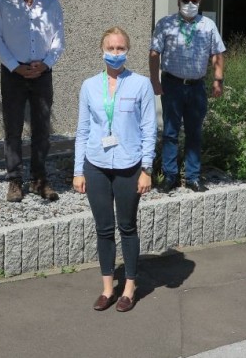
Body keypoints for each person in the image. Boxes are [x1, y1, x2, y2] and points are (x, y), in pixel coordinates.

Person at [73, 27, 156, 313]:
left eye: (120, 48)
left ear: (128, 51)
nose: (115, 53)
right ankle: (108, 288)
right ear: (102, 50)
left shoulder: (141, 85)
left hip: (128, 165)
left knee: (127, 227)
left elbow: (149, 130)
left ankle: (130, 288)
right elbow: (82, 130)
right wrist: (78, 170)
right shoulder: (89, 86)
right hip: (96, 165)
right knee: (104, 229)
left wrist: (147, 169)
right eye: (111, 48)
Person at [0, 0, 65, 203]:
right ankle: (14, 181)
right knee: (13, 129)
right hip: (14, 74)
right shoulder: (3, 2)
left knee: (42, 130)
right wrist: (14, 66)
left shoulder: (51, 3)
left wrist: (46, 64)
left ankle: (39, 180)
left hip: (42, 73)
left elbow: (58, 39)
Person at [149, 0, 225, 193]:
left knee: (194, 133)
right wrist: (155, 81)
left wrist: (218, 80)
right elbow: (154, 53)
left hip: (196, 87)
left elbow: (217, 53)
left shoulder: (208, 25)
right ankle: (170, 176)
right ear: (178, 0)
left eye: (195, 0)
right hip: (172, 85)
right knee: (170, 133)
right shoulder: (166, 24)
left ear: (200, 2)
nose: (190, 4)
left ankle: (192, 177)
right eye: (186, 0)